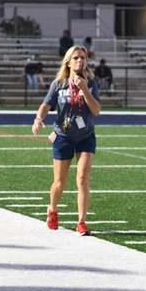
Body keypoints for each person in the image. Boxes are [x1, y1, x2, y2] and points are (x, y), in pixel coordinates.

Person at [32, 45, 101, 236]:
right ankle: (52, 210)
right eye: (76, 58)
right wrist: (39, 119)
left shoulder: (92, 83)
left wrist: (84, 89)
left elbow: (96, 110)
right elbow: (46, 105)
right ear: (68, 62)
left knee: (82, 178)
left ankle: (81, 221)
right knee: (60, 182)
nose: (80, 61)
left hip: (86, 136)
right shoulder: (59, 84)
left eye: (83, 58)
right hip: (63, 136)